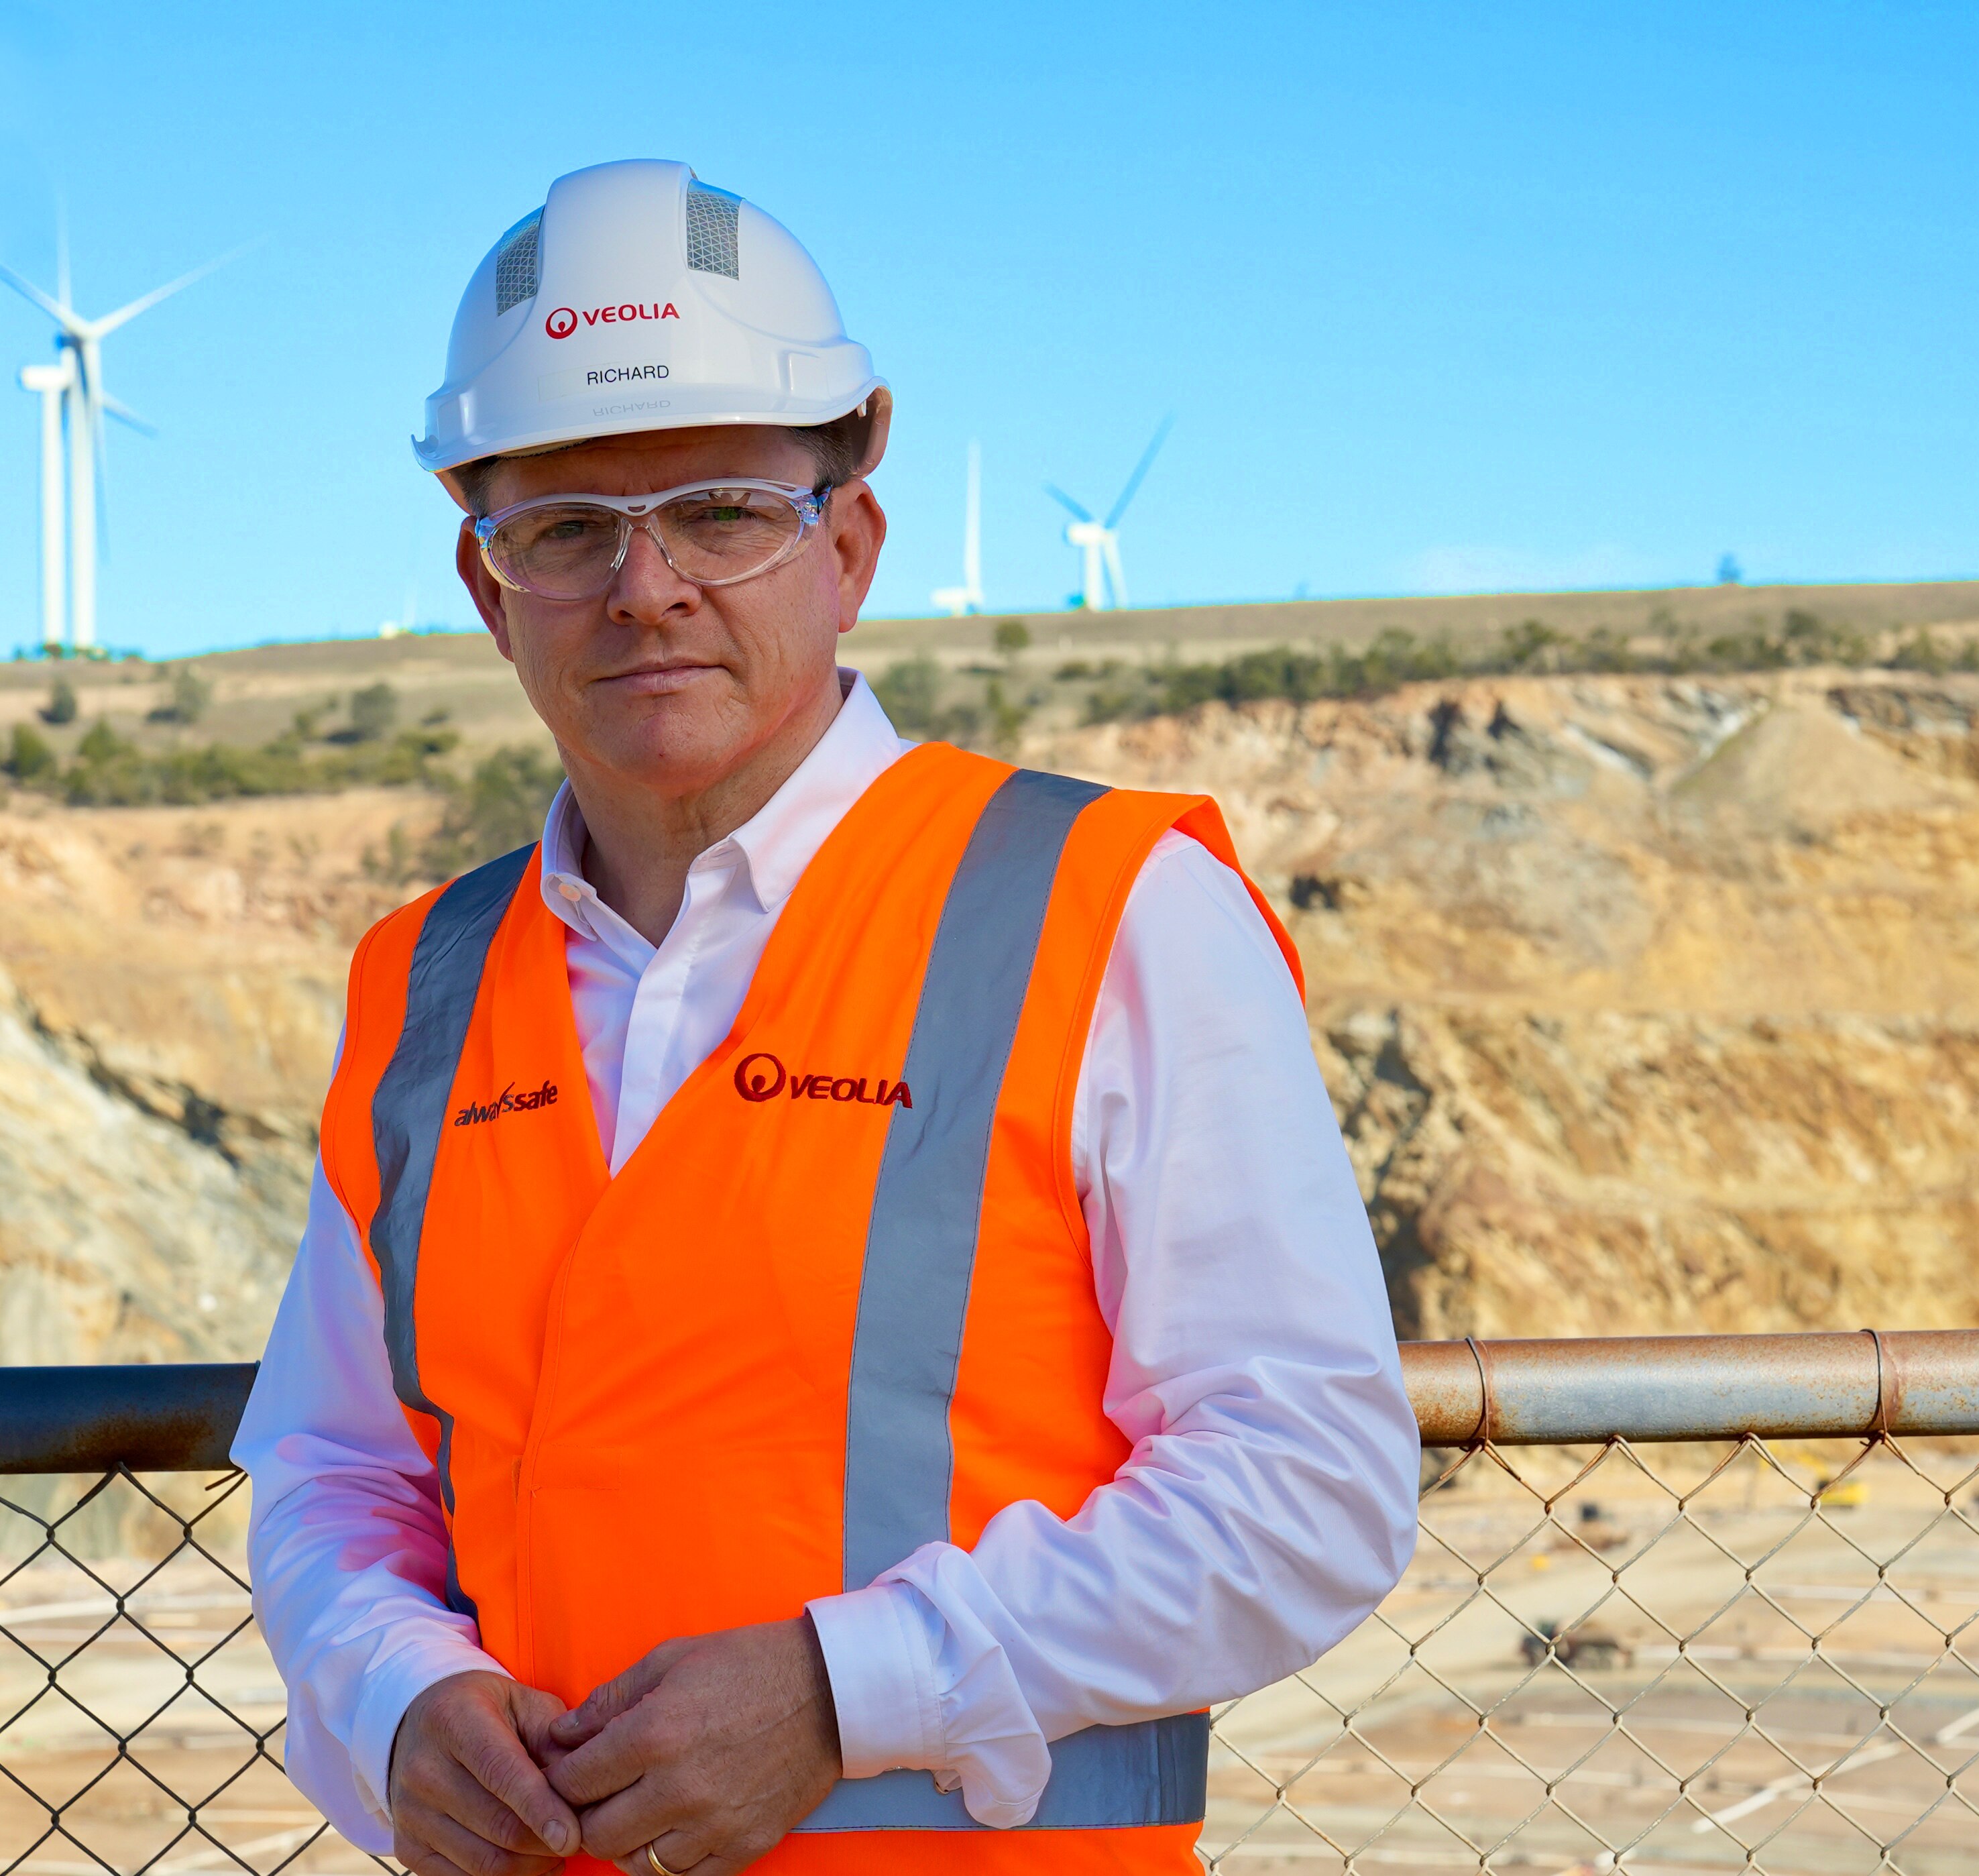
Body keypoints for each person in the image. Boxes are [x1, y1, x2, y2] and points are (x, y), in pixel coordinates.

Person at [234, 158, 1417, 1876]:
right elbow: (334, 1474)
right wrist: (398, 1696)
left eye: (721, 508)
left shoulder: (1107, 909)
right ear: (489, 594)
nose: (644, 588)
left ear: (846, 543)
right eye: (565, 528)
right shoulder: (421, 987)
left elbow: (1306, 1481)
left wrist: (841, 1689)